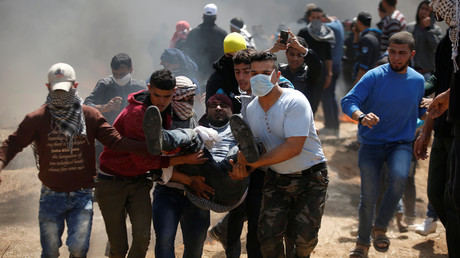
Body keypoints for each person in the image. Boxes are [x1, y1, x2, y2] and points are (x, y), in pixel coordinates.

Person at [0, 63, 149, 258]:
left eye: (66, 89)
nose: (61, 95)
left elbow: (115, 141)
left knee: (78, 250)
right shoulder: (37, 118)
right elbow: (12, 144)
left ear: (75, 86)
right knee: (50, 251)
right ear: (48, 87)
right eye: (57, 90)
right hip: (51, 195)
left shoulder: (90, 115)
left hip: (82, 195)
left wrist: (150, 148)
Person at [95, 69, 207, 257]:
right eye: (156, 95)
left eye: (167, 96)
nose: (161, 101)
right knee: (119, 247)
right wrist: (183, 159)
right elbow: (145, 161)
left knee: (142, 239)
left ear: (173, 92)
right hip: (112, 182)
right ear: (148, 89)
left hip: (139, 181)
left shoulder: (169, 111)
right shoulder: (138, 114)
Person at [230, 51, 329, 257]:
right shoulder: (251, 110)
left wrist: (253, 164)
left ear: (277, 74)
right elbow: (256, 148)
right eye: (253, 72)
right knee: (267, 239)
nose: (258, 77)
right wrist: (241, 164)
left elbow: (294, 147)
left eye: (265, 72)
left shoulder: (295, 101)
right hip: (276, 179)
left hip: (311, 178)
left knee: (303, 241)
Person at [341, 31, 426, 257]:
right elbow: (348, 101)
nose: (396, 57)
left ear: (411, 54)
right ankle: (362, 244)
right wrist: (361, 116)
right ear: (387, 51)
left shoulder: (418, 81)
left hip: (401, 144)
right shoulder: (373, 76)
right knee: (368, 196)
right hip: (371, 144)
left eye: (402, 53)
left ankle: (380, 226)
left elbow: (420, 111)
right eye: (392, 52)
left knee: (399, 178)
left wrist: (428, 111)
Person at [420, 0, 460, 256]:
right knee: (437, 192)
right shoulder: (449, 39)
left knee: (453, 196)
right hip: (444, 125)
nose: (436, 12)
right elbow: (439, 78)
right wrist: (417, 89)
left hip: (454, 121)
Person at [84, 53, 147, 173]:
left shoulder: (140, 87)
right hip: (105, 139)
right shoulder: (104, 84)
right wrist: (105, 107)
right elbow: (87, 106)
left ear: (131, 69)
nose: (118, 78)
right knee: (104, 173)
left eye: (122, 74)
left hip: (130, 140)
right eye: (115, 74)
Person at [268, 30, 322, 114]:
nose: (295, 59)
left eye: (299, 55)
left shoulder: (309, 72)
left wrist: (301, 47)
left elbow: (317, 64)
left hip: (303, 116)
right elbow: (256, 66)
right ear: (286, 54)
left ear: (304, 56)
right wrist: (272, 50)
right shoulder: (279, 70)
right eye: (292, 54)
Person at [298, 7, 334, 115]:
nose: (316, 19)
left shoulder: (327, 34)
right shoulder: (303, 32)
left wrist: (329, 73)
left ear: (323, 18)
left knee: (315, 100)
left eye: (318, 17)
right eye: (313, 17)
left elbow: (328, 56)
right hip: (304, 71)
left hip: (321, 72)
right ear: (309, 18)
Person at [184, 3, 227, 83]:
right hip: (216, 76)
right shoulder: (222, 34)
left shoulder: (193, 33)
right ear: (215, 16)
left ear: (203, 15)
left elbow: (187, 54)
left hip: (196, 76)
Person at [206, 32, 247, 113]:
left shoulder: (253, 74)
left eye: (236, 56)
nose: (233, 60)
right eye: (229, 56)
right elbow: (210, 108)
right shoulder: (216, 79)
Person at [406, 0, 442, 80]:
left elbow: (435, 47)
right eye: (422, 8)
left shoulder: (436, 30)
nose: (423, 11)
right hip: (410, 71)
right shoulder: (410, 27)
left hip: (426, 74)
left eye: (427, 9)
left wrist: (428, 29)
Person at [352, 12, 382, 84]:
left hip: (366, 79)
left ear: (358, 23)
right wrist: (356, 34)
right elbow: (357, 50)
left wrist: (357, 85)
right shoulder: (373, 35)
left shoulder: (367, 39)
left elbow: (364, 64)